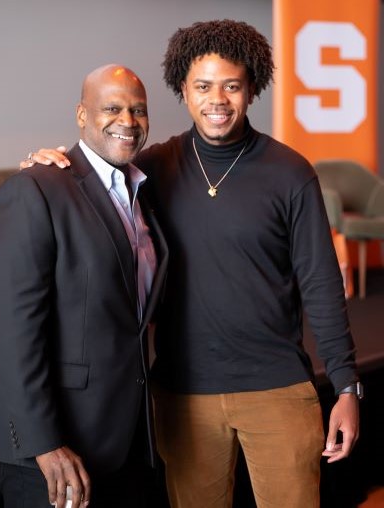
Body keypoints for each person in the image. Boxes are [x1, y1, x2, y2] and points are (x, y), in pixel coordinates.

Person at [20, 19, 361, 508]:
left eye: (232, 85)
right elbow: (89, 175)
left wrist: (347, 387)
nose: (217, 99)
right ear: (183, 89)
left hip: (278, 390)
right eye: (203, 86)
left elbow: (322, 286)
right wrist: (51, 164)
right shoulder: (153, 168)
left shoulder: (291, 174)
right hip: (182, 396)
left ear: (251, 90)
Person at [0, 64, 168, 508]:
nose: (127, 121)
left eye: (138, 110)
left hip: (128, 444)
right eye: (112, 108)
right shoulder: (36, 190)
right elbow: (13, 335)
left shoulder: (142, 192)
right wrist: (45, 444)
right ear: (82, 114)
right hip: (54, 452)